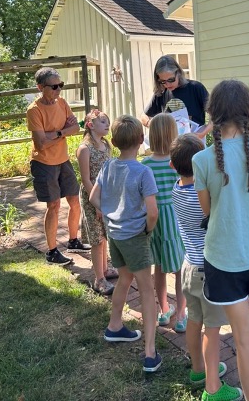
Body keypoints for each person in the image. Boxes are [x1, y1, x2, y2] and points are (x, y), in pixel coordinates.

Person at [192, 79, 249, 401]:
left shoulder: (201, 160)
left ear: (213, 112)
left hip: (224, 255)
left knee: (244, 338)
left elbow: (208, 210)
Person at [170, 133, 243, 401]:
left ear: (172, 165)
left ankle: (198, 370)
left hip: (189, 266)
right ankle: (213, 389)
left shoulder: (176, 189)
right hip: (209, 271)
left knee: (194, 320)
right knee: (213, 330)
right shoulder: (203, 197)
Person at [89, 115, 162, 372]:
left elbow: (93, 197)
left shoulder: (108, 166)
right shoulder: (144, 171)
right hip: (135, 236)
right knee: (146, 291)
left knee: (124, 279)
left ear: (115, 141)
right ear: (141, 140)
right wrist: (147, 229)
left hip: (116, 235)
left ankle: (115, 326)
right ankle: (150, 352)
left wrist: (110, 214)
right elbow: (152, 212)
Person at [26, 66, 90, 266]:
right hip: (43, 163)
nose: (58, 90)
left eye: (60, 85)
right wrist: (63, 132)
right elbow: (41, 144)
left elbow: (75, 127)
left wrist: (55, 133)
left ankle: (73, 241)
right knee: (53, 206)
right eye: (54, 86)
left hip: (63, 160)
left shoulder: (62, 103)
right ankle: (52, 252)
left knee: (74, 201)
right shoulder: (34, 111)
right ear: (40, 87)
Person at [141, 113, 187, 332]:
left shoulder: (146, 163)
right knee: (180, 268)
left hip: (155, 217)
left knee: (158, 267)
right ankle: (181, 314)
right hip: (175, 217)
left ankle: (163, 310)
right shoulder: (177, 162)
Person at [76, 109, 118, 296]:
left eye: (107, 121)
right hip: (91, 197)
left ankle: (105, 269)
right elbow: (86, 180)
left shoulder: (106, 145)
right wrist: (96, 204)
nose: (107, 125)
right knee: (96, 238)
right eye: (103, 122)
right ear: (90, 125)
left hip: (106, 196)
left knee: (104, 235)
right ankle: (99, 279)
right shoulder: (85, 149)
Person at [141, 55, 210, 137]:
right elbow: (143, 116)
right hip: (171, 144)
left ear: (178, 73)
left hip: (195, 143)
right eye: (163, 81)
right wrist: (151, 124)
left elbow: (216, 115)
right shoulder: (161, 92)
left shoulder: (196, 88)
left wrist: (202, 133)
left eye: (171, 79)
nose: (167, 84)